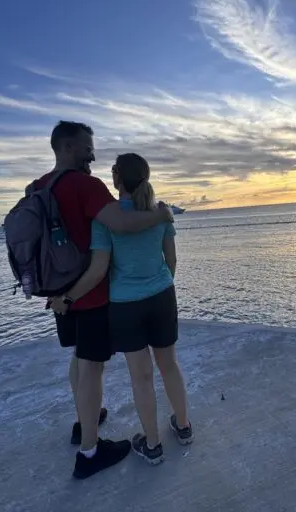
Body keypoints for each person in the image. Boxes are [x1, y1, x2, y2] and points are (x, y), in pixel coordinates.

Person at [37, 121, 173, 480]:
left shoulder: (39, 186)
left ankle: (86, 420)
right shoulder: (87, 185)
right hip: (88, 294)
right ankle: (89, 451)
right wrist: (162, 214)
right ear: (66, 147)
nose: (92, 155)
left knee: (80, 359)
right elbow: (125, 224)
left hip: (59, 291)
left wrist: (60, 296)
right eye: (86, 148)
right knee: (91, 366)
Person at [52, 153, 193, 466]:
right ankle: (183, 427)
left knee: (141, 377)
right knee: (169, 364)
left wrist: (69, 298)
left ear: (116, 178)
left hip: (125, 306)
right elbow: (171, 261)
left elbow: (98, 270)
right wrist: (159, 284)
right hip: (162, 296)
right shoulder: (159, 211)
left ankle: (152, 445)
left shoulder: (107, 219)